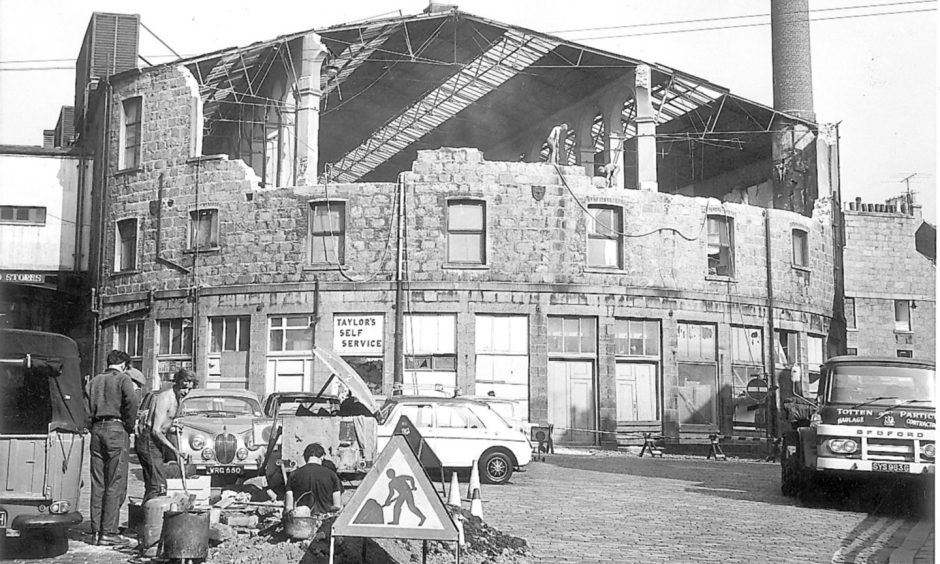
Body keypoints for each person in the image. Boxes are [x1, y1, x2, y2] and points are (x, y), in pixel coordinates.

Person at [85, 350, 139, 546]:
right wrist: (130, 425)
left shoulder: (94, 381)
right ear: (124, 364)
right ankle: (109, 532)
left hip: (96, 431)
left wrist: (92, 426)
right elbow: (132, 402)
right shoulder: (123, 379)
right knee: (115, 481)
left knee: (97, 482)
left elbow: (85, 409)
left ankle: (95, 531)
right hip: (117, 430)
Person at [137, 368, 197, 502]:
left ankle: (147, 515)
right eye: (183, 388)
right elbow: (156, 430)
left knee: (153, 483)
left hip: (157, 441)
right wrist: (175, 450)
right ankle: (153, 518)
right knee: (158, 485)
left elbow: (164, 426)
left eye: (189, 389)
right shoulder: (165, 398)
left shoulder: (178, 400)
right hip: (149, 441)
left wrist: (172, 427)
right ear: (177, 383)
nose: (186, 392)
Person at [286, 443, 342, 514]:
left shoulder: (293, 475)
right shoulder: (332, 475)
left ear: (305, 457)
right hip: (324, 520)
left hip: (302, 520)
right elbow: (337, 506)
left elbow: (288, 507)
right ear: (322, 457)